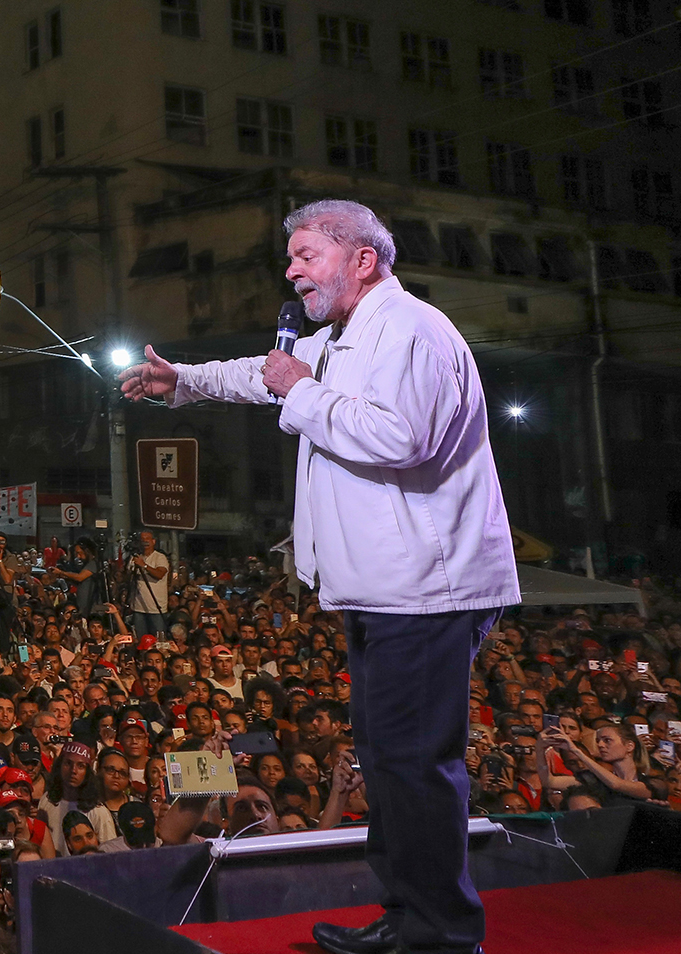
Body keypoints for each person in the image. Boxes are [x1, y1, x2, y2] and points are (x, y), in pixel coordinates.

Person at [121, 198, 519, 954]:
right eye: (292, 257)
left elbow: (400, 438)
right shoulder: (345, 336)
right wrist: (186, 379)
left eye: (306, 255)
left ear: (361, 260)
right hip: (381, 587)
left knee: (414, 767)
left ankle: (439, 933)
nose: (291, 269)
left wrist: (299, 390)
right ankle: (407, 918)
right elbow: (264, 373)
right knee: (388, 765)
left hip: (425, 589)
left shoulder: (411, 331)